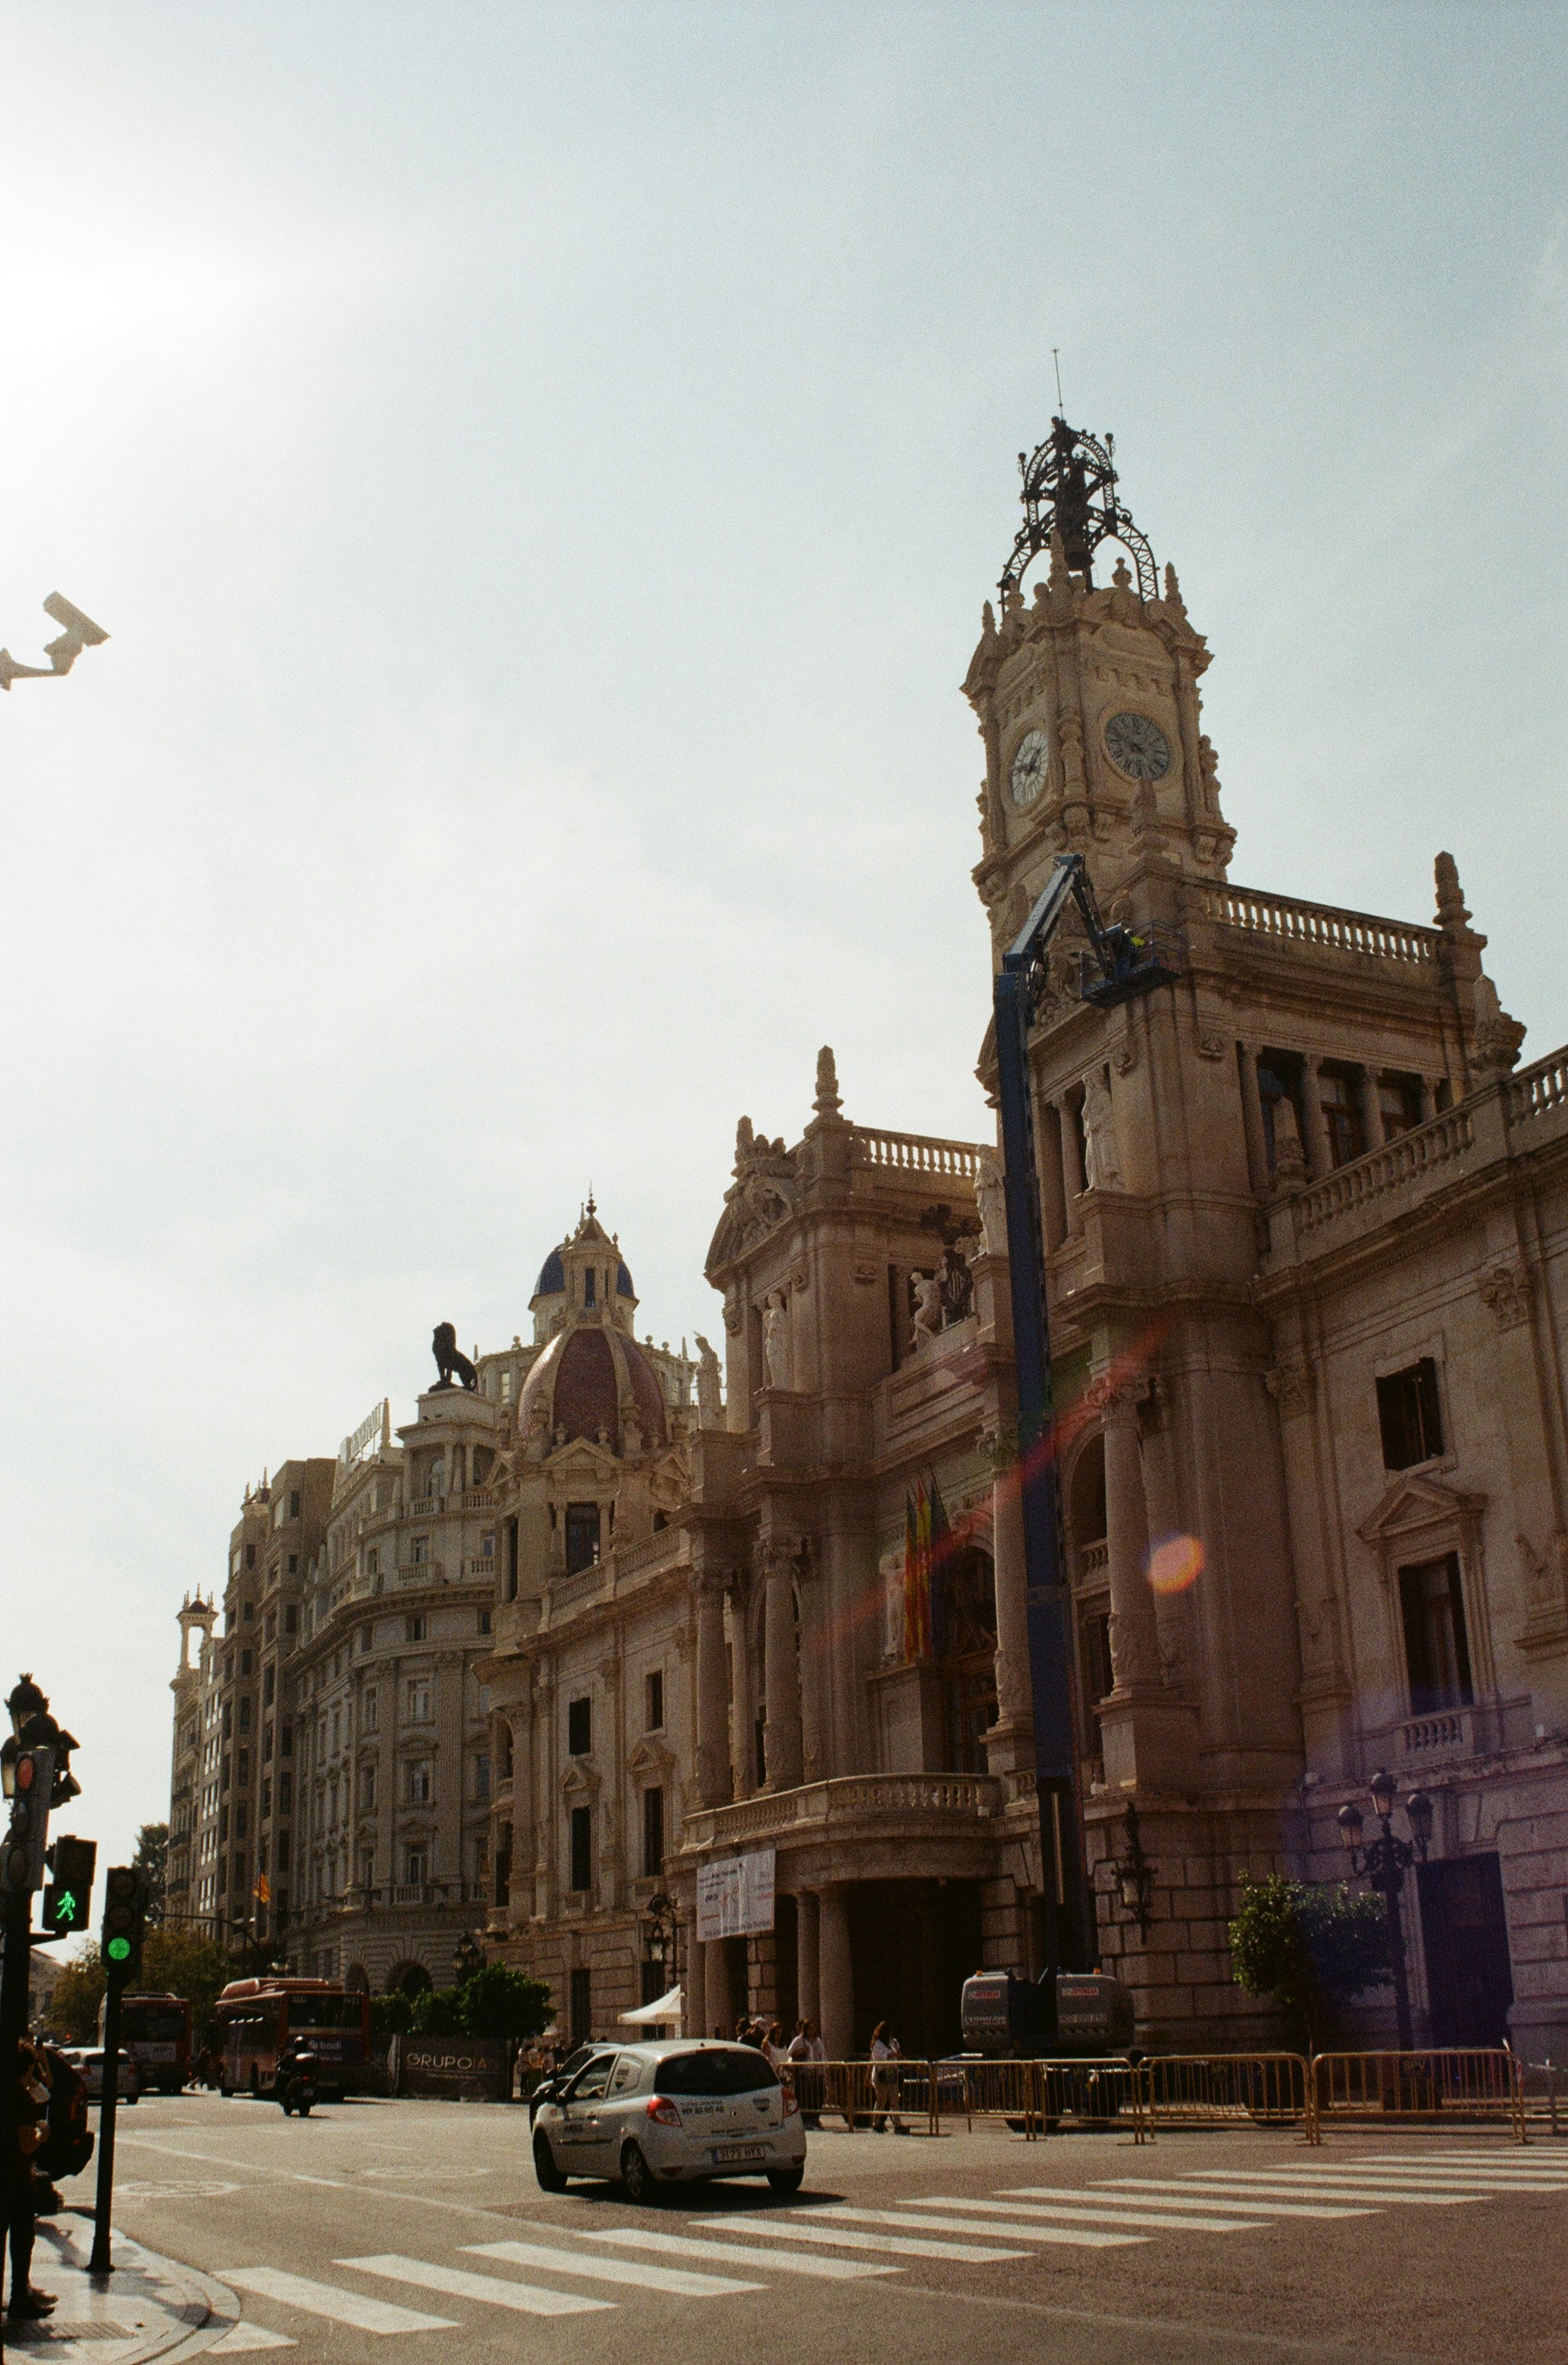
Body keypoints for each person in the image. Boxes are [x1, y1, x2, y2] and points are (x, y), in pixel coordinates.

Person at [6, 2039, 56, 2320]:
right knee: (22, 2240)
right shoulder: (22, 2098)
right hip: (17, 2178)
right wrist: (41, 2134)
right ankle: (19, 2298)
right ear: (26, 2070)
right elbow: (26, 2144)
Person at [868, 2020, 905, 2135]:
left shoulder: (892, 2043)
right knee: (881, 2100)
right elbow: (880, 2057)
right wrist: (892, 2055)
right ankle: (876, 2122)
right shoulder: (877, 2044)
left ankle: (898, 2124)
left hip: (892, 2073)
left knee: (894, 2100)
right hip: (882, 2074)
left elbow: (898, 2054)